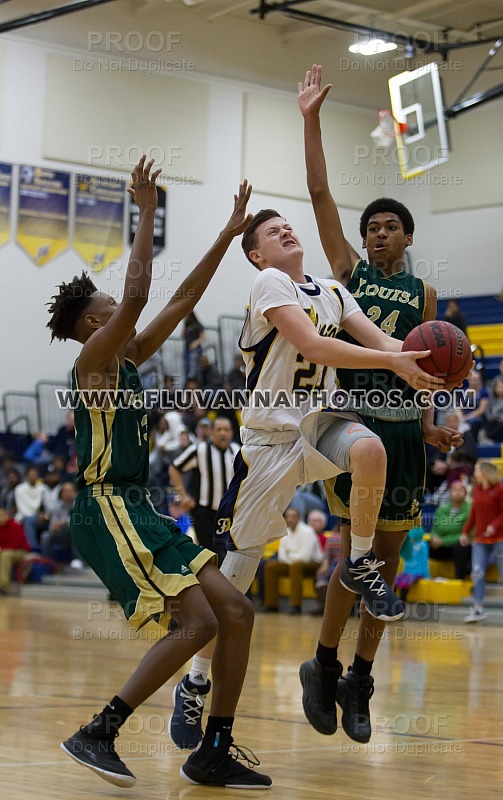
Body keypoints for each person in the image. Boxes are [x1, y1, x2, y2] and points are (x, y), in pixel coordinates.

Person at [168, 198, 443, 748]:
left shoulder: (334, 291)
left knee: (370, 450)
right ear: (256, 254)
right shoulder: (269, 284)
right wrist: (393, 362)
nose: (287, 230)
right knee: (237, 581)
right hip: (271, 441)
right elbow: (315, 345)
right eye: (273, 230)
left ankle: (361, 562)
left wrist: (427, 360)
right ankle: (194, 683)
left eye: (288, 225)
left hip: (320, 424)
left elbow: (384, 341)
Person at [48, 162, 272, 790]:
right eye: (110, 306)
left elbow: (180, 300)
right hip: (106, 507)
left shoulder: (128, 357)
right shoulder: (95, 359)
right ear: (95, 323)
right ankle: (100, 730)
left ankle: (214, 748)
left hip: (137, 506)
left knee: (236, 611)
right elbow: (145, 296)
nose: (122, 309)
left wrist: (229, 234)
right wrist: (147, 212)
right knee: (197, 623)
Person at [295, 64, 463, 745]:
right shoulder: (348, 273)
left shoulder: (424, 299)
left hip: (402, 437)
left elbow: (425, 371)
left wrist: (431, 423)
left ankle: (357, 678)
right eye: (372, 227)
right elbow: (316, 191)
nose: (378, 234)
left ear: (408, 236)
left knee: (386, 571)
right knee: (352, 559)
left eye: (390, 226)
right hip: (355, 432)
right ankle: (323, 662)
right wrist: (309, 119)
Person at [169, 417, 239, 562]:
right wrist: (183, 496)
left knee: (231, 556)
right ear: (212, 432)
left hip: (230, 514)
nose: (222, 433)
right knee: (213, 555)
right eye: (219, 430)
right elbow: (174, 468)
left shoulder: (237, 451)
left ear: (232, 433)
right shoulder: (199, 449)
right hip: (205, 513)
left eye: (226, 430)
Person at [460, 461, 503, 621]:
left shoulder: (500, 489)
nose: (474, 474)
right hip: (479, 539)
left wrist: (493, 526)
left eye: (477, 471)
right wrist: (465, 532)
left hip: (499, 538)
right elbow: (473, 514)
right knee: (477, 573)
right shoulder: (476, 490)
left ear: (484, 472)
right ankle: (478, 608)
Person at [262, 508, 323, 614]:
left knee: (296, 566)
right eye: (288, 517)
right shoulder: (285, 532)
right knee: (270, 566)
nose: (290, 519)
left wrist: (290, 559)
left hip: (314, 564)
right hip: (293, 564)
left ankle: (296, 605)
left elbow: (305, 557)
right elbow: (281, 555)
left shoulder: (307, 531)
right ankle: (271, 605)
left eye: (293, 516)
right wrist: (290, 560)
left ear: (299, 518)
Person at [429, 480, 471, 577]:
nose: (457, 492)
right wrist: (433, 538)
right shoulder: (441, 509)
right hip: (442, 547)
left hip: (461, 546)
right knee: (422, 546)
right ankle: (421, 576)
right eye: (454, 490)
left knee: (460, 547)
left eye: (460, 490)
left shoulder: (470, 510)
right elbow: (435, 529)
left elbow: (468, 535)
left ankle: (460, 579)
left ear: (465, 493)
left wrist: (443, 541)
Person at [0, 507, 30, 594]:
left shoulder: (16, 526)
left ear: (7, 516)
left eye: (2, 515)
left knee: (5, 555)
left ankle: (3, 586)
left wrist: (2, 549)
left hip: (20, 551)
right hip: (4, 551)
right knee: (4, 554)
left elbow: (15, 544)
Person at [463, 371, 489, 441]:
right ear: (469, 380)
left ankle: (472, 441)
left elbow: (481, 410)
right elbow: (458, 407)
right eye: (472, 379)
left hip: (477, 418)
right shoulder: (463, 392)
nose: (474, 381)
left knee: (472, 422)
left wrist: (467, 418)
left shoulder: (483, 392)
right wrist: (460, 418)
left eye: (476, 379)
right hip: (464, 417)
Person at [182, 311, 205, 382]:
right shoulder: (187, 326)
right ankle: (187, 385)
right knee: (186, 368)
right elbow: (183, 335)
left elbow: (203, 337)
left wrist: (195, 344)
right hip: (187, 350)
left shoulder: (197, 325)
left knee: (194, 369)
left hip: (195, 350)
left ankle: (196, 384)